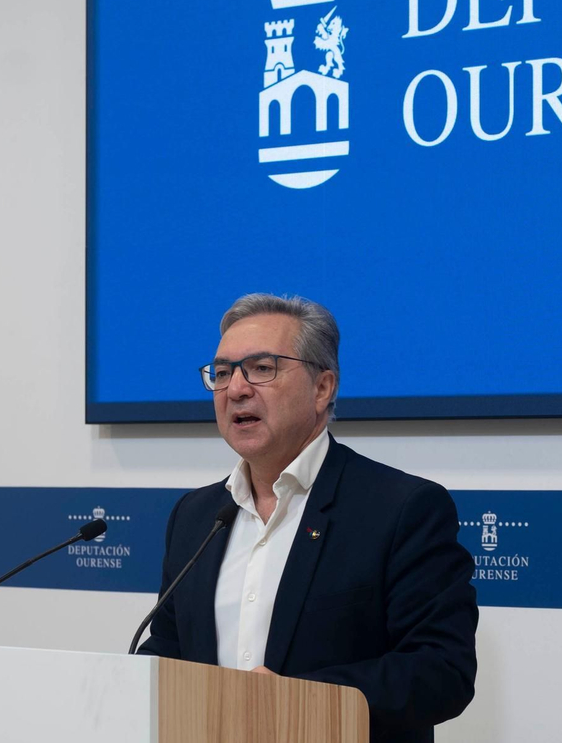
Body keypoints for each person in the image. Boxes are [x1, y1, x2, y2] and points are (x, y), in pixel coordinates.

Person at [138, 293, 477, 742]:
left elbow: (441, 671)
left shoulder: (401, 508)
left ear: (323, 388)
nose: (236, 389)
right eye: (222, 373)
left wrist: (298, 698)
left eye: (262, 368)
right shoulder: (196, 515)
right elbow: (168, 648)